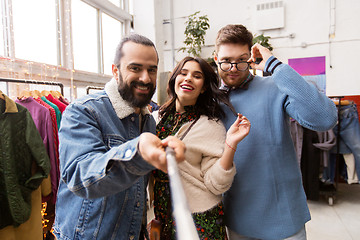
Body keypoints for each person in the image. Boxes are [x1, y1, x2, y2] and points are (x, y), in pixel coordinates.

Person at [52, 34, 186, 240]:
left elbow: (135, 191)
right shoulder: (83, 111)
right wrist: (138, 152)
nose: (145, 78)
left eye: (152, 69)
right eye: (135, 68)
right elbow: (79, 175)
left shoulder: (147, 119)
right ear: (115, 71)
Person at [213, 24, 338, 240]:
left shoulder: (275, 86)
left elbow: (325, 118)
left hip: (284, 220)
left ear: (250, 58)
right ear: (216, 58)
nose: (233, 67)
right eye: (226, 61)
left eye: (241, 60)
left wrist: (274, 65)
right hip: (237, 220)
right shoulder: (212, 101)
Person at [151, 56, 251, 239]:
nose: (188, 78)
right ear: (174, 80)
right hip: (163, 213)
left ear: (204, 87)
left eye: (197, 76)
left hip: (200, 217)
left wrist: (230, 145)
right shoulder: (156, 118)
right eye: (183, 73)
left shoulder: (210, 125)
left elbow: (216, 185)